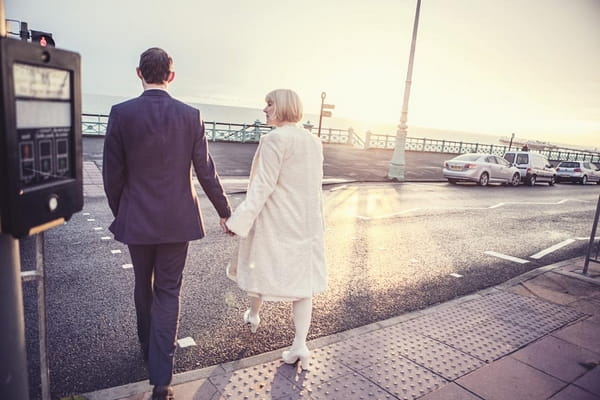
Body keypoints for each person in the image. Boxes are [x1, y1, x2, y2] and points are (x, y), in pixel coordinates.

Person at [102, 47, 232, 400]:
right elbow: (205, 169)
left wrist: (122, 212)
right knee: (169, 291)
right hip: (178, 220)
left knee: (142, 285)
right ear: (171, 76)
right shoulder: (190, 115)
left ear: (138, 73)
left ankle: (147, 347)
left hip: (137, 219)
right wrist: (225, 210)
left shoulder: (120, 113)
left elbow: (112, 175)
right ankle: (161, 379)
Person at [225, 89, 327, 370]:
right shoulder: (313, 142)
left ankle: (254, 315)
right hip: (305, 224)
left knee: (259, 266)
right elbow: (314, 186)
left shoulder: (274, 140)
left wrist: (238, 221)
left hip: (276, 221)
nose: (265, 109)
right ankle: (300, 346)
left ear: (282, 107)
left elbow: (262, 185)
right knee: (303, 285)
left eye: (269, 104)